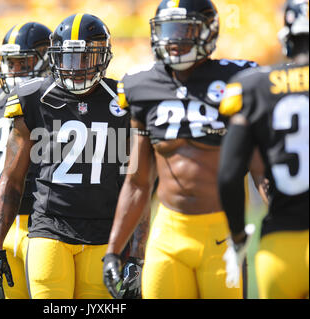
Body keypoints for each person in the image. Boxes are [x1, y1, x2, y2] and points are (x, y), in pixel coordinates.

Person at [102, 0, 266, 299]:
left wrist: (288, 225)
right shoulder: (142, 86)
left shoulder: (238, 81)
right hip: (169, 232)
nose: (173, 40)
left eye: (183, 30)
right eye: (166, 30)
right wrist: (114, 250)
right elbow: (138, 183)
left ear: (208, 31)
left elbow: (260, 171)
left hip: (223, 231)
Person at [0, 13, 131, 299]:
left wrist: (135, 252)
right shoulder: (31, 97)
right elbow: (11, 179)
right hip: (49, 229)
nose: (75, 68)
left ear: (103, 56)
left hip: (104, 233)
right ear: (53, 58)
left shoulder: (124, 99)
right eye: (67, 58)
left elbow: (136, 185)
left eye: (84, 58)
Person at [218, 0, 309, 299]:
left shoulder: (253, 86)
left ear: (287, 37)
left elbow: (229, 174)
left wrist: (238, 236)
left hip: (281, 248)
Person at [0, 22, 51, 299]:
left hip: (44, 223)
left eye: (22, 62)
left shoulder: (54, 103)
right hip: (4, 224)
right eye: (9, 63)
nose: (14, 70)